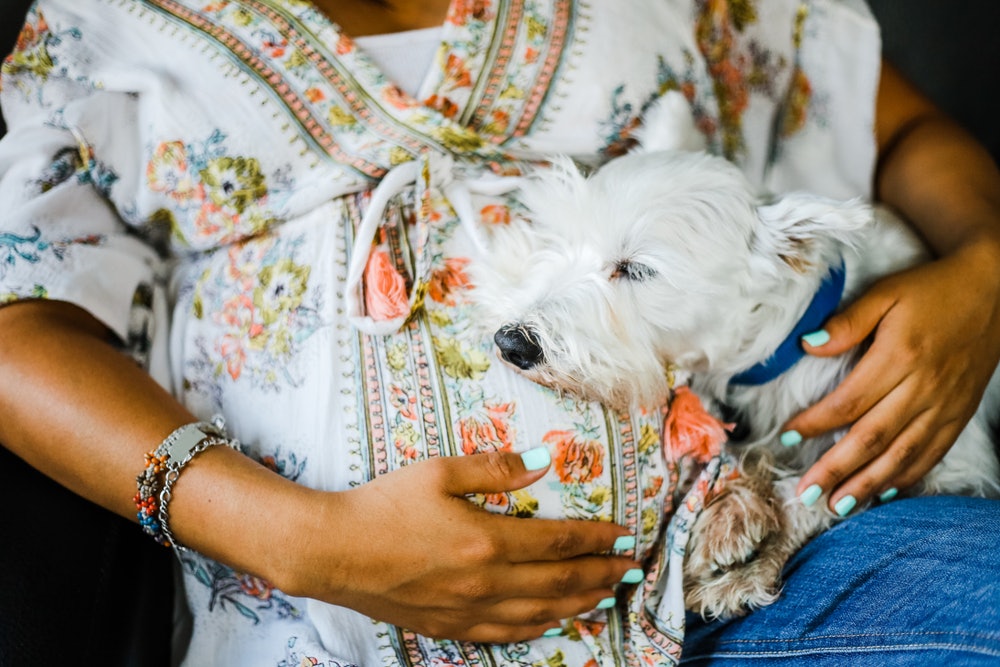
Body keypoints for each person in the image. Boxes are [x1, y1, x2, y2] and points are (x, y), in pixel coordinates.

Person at [0, 0, 997, 665]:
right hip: (330, 634)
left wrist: (987, 275)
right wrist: (289, 537)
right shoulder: (106, 27)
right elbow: (20, 318)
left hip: (751, 584)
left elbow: (895, 125)